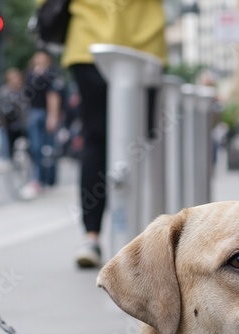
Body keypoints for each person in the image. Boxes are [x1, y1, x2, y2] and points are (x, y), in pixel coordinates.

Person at [62, 0, 166, 268]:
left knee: (96, 142)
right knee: (142, 142)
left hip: (90, 37)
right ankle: (144, 238)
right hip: (143, 39)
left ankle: (91, 237)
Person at [19, 51, 63, 200]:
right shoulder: (31, 74)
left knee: (48, 149)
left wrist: (53, 116)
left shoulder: (50, 74)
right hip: (34, 112)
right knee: (37, 147)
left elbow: (53, 96)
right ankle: (38, 179)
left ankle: (48, 179)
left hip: (45, 112)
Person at [0, 68, 28, 158]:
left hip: (23, 121)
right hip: (8, 122)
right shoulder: (4, 91)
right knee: (7, 143)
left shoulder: (24, 90)